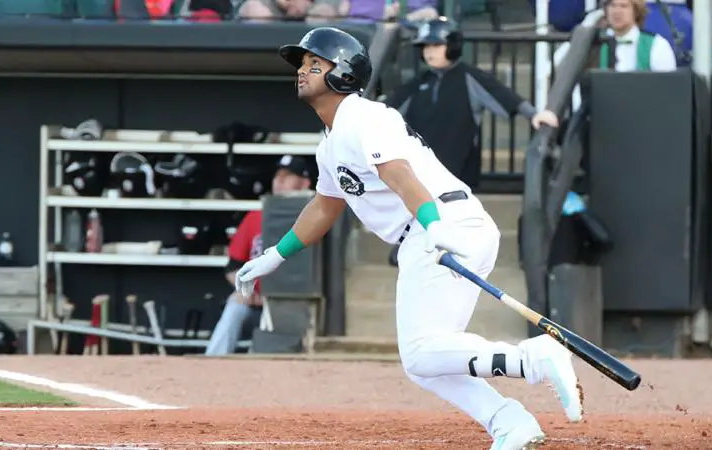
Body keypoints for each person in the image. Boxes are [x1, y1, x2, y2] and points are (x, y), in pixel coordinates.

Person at [234, 27, 583, 449]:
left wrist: (434, 228)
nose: (302, 72)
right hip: (433, 227)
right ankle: (510, 420)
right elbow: (326, 206)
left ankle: (533, 359)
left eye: (314, 64)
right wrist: (276, 254)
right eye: (302, 65)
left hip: (441, 223)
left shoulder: (366, 117)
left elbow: (400, 176)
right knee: (425, 361)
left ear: (342, 73)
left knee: (421, 353)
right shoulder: (331, 143)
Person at [384, 17, 558, 191]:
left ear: (453, 46)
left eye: (437, 45)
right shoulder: (417, 83)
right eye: (426, 47)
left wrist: (534, 114)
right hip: (420, 171)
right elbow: (386, 108)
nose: (430, 52)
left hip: (458, 174)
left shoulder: (469, 77)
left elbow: (504, 95)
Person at [204, 154, 315, 356]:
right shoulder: (256, 216)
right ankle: (213, 360)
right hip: (255, 299)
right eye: (277, 176)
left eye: (287, 176)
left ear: (305, 182)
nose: (279, 181)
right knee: (235, 303)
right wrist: (248, 290)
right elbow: (232, 266)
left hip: (294, 302)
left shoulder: (314, 220)